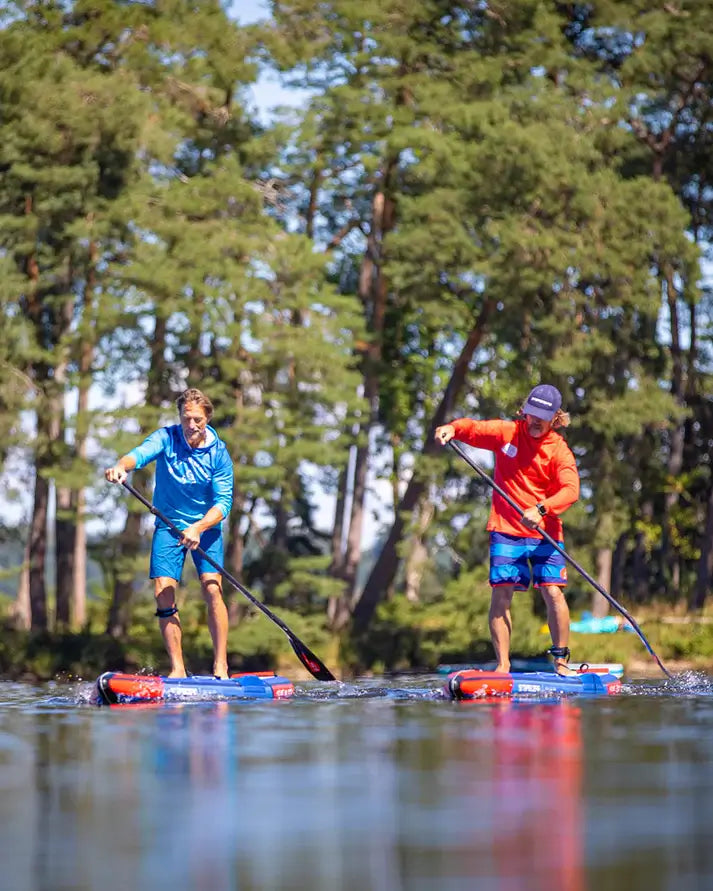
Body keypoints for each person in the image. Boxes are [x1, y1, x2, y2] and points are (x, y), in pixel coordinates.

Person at [435, 384, 580, 675]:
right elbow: (473, 429)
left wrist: (541, 509)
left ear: (555, 418)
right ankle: (503, 667)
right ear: (524, 411)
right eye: (531, 413)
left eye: (542, 416)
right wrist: (451, 428)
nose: (534, 421)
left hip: (545, 533)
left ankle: (562, 663)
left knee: (552, 592)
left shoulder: (559, 451)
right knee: (501, 594)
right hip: (506, 528)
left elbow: (571, 490)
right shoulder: (508, 433)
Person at [105, 388, 234, 678]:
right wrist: (120, 467)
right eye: (186, 418)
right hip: (169, 524)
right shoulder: (166, 438)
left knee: (212, 588)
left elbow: (223, 503)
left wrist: (198, 528)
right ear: (180, 417)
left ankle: (221, 666)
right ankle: (177, 669)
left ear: (207, 418)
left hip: (207, 527)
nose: (192, 425)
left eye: (198, 419)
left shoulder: (220, 454)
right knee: (163, 593)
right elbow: (137, 456)